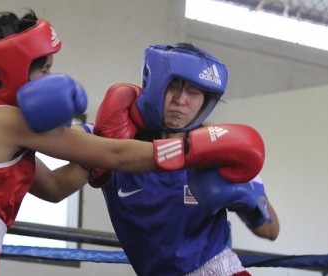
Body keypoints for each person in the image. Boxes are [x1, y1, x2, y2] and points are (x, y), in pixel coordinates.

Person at [0, 11, 263, 276]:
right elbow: (116, 154)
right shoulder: (7, 120)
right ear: (9, 69)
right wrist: (191, 149)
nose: (51, 77)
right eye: (44, 69)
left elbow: (55, 187)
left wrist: (100, 150)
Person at [89, 43, 280, 275]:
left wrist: (247, 201)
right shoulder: (111, 140)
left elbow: (271, 231)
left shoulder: (220, 146)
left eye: (193, 91)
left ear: (205, 101)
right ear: (156, 86)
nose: (180, 100)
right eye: (173, 86)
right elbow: (58, 177)